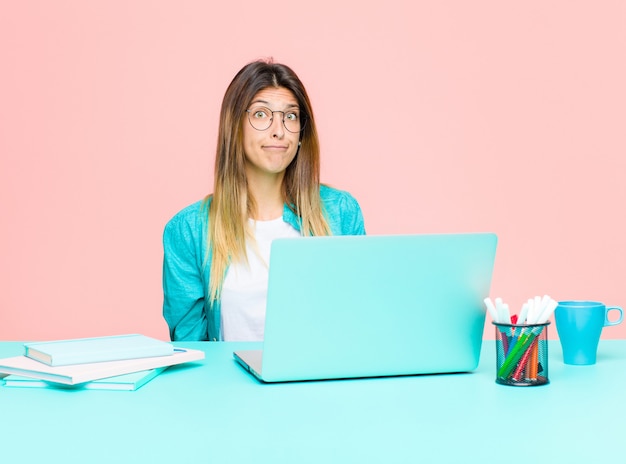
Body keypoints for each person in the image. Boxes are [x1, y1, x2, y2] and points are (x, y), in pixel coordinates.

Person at [162, 59, 365, 341]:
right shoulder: (188, 231)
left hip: (318, 384)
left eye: (290, 116)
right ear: (235, 127)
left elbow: (358, 324)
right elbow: (193, 352)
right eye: (261, 114)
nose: (278, 130)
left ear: (301, 134)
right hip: (228, 385)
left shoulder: (341, 213)